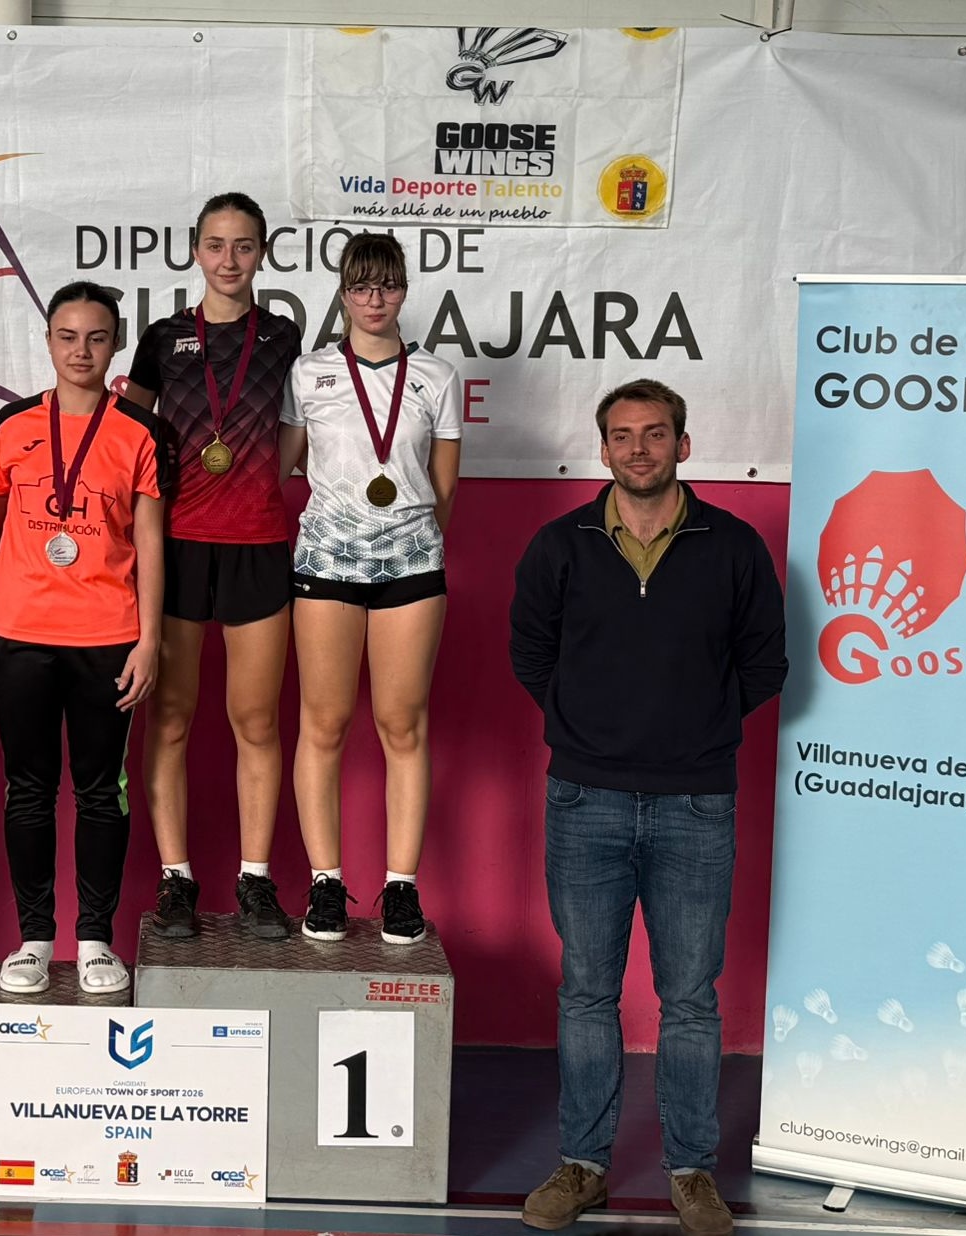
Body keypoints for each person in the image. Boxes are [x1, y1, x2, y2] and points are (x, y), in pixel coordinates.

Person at [508, 379, 787, 1236]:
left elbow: (765, 662)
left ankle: (692, 1171)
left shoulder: (733, 546)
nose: (639, 448)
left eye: (655, 433)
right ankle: (583, 1165)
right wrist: (587, 727)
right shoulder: (559, 546)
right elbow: (530, 653)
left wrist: (694, 729)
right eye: (623, 435)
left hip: (696, 803)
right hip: (584, 797)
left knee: (690, 998)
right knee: (588, 992)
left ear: (683, 445)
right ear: (603, 450)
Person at [123, 192, 302, 941]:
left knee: (255, 721)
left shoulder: (284, 337)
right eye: (217, 245)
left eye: (244, 246)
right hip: (177, 547)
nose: (230, 260)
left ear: (262, 253)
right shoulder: (163, 338)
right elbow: (130, 435)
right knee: (170, 718)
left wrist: (258, 483)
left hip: (257, 545)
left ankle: (255, 879)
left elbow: (295, 428)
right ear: (196, 251)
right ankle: (176, 879)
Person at [276, 232, 461, 945]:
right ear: (343, 293)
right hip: (326, 564)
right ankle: (326, 883)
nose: (374, 299)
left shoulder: (437, 377)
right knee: (323, 725)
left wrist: (406, 539)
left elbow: (444, 487)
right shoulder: (309, 373)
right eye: (361, 286)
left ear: (404, 290)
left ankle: (401, 887)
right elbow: (283, 468)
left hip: (411, 566)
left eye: (387, 285)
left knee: (402, 725)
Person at [0, 281, 166, 995]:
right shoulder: (12, 425)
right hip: (21, 636)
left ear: (115, 345)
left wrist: (148, 641)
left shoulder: (140, 432)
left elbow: (150, 544)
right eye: (67, 336)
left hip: (108, 637)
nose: (81, 351)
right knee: (27, 790)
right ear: (49, 342)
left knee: (99, 792)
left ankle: (94, 939)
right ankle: (34, 939)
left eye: (96, 337)